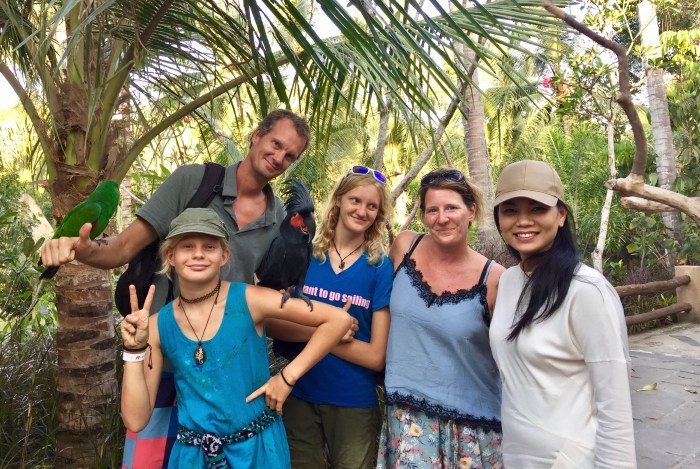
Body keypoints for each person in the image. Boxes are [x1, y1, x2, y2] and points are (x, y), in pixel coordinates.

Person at [38, 109, 310, 468]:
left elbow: (265, 306)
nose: (279, 157)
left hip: (224, 376)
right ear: (257, 135)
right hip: (161, 359)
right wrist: (82, 250)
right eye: (276, 144)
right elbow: (123, 248)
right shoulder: (193, 181)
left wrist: (329, 329)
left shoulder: (279, 220)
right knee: (146, 461)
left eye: (290, 155)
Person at [120, 208, 353, 468]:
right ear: (170, 256)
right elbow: (135, 420)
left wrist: (287, 378)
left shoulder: (250, 300)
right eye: (187, 246)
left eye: (209, 246)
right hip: (194, 458)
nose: (198, 254)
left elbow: (338, 320)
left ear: (224, 256)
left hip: (259, 452)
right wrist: (134, 349)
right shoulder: (157, 326)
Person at [489, 159, 636, 468]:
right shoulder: (509, 281)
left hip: (571, 459)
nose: (523, 221)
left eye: (537, 209)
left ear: (561, 215)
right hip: (516, 455)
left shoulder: (587, 290)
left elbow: (615, 405)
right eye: (510, 210)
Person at [376, 168, 505, 469]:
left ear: (471, 211)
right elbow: (374, 299)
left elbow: (513, 355)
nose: (442, 218)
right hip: (406, 417)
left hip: (472, 428)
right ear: (423, 216)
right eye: (432, 210)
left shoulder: (495, 278)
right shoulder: (404, 246)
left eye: (451, 208)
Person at [267, 165, 393, 468]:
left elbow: (376, 356)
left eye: (371, 206)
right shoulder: (306, 254)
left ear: (378, 214)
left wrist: (320, 330)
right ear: (338, 200)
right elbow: (272, 324)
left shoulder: (379, 267)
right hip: (299, 393)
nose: (361, 211)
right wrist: (331, 329)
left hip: (353, 401)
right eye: (355, 200)